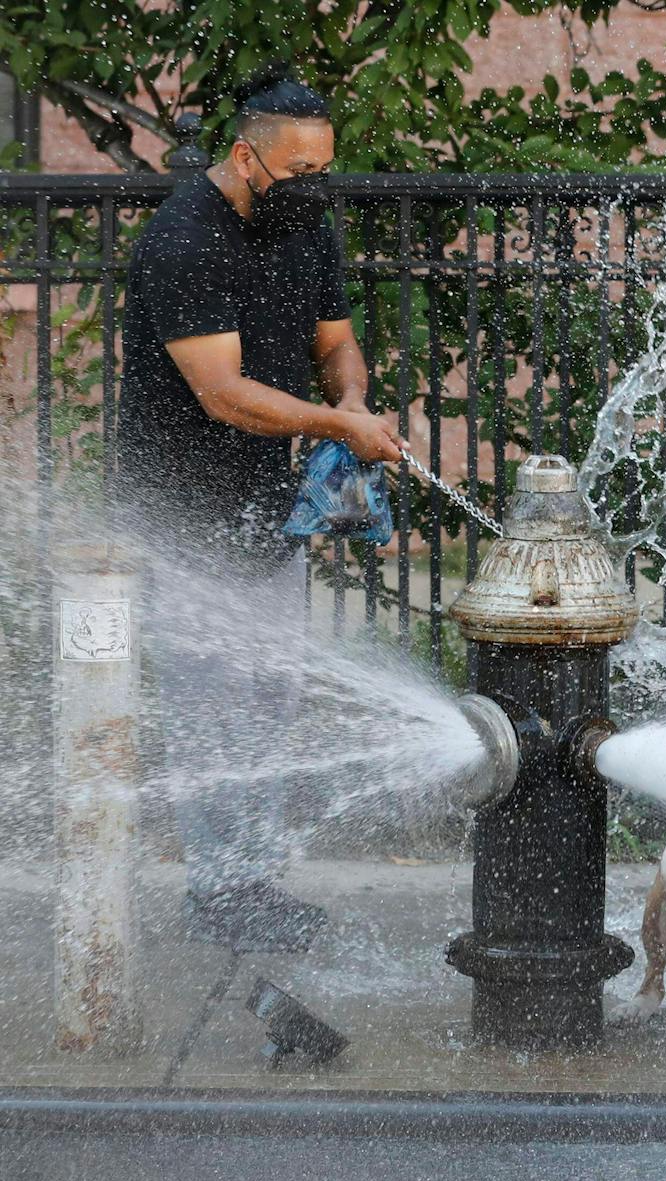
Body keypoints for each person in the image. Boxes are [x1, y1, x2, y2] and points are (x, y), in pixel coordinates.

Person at [119, 65, 405, 951]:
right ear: (247, 157)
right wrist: (336, 425)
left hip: (259, 508)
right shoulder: (183, 242)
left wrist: (350, 400)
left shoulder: (303, 230)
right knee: (212, 714)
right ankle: (223, 896)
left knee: (269, 703)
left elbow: (338, 343)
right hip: (178, 513)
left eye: (325, 171)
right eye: (300, 173)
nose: (314, 190)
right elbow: (224, 394)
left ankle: (251, 883)